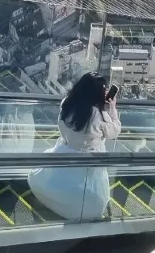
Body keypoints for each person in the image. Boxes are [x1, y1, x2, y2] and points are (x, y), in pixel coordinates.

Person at [28, 73, 121, 221]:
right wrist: (112, 109)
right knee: (86, 190)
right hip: (89, 159)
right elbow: (114, 131)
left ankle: (52, 200)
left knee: (58, 180)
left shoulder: (67, 103)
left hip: (64, 150)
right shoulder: (98, 115)